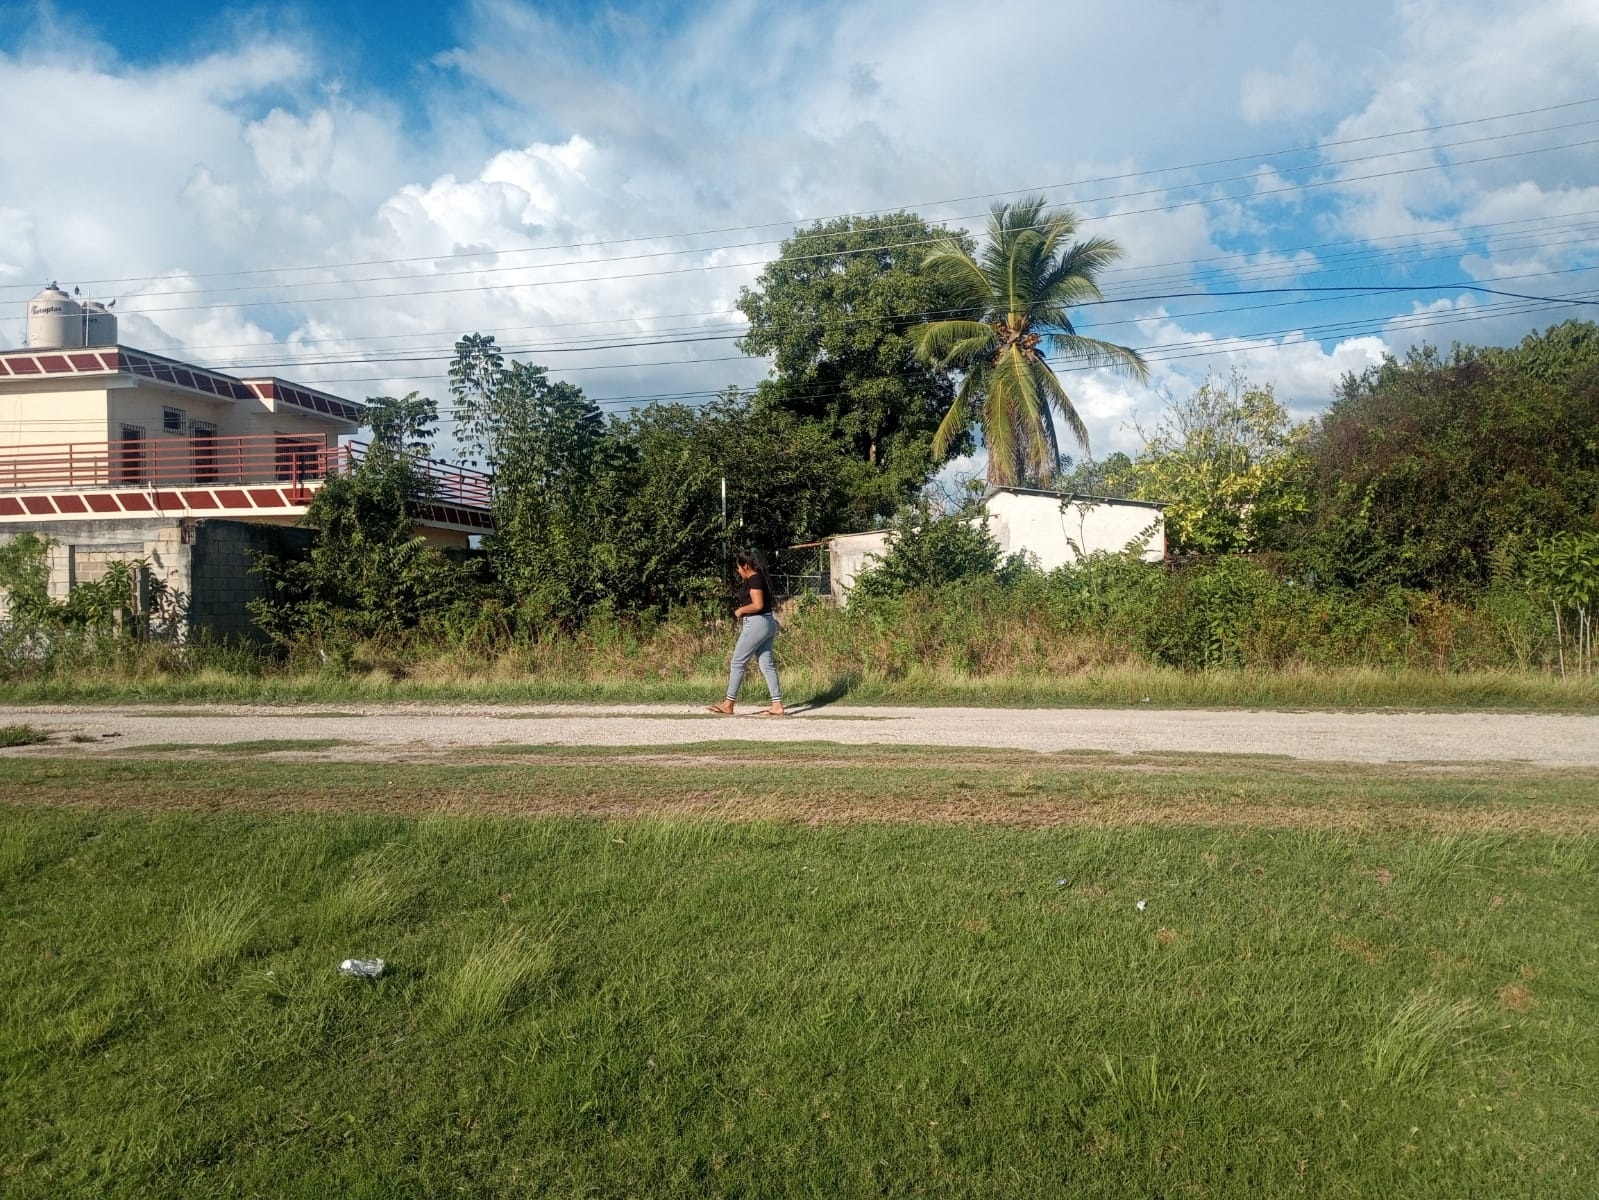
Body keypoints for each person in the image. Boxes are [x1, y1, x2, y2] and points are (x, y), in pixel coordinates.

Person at [707, 550, 785, 717]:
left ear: (746, 566)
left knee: (737, 662)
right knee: (766, 664)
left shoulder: (754, 579)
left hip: (756, 623)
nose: (738, 571)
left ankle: (728, 704)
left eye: (739, 567)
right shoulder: (759, 578)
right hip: (768, 622)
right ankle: (777, 705)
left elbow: (757, 604)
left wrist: (740, 610)